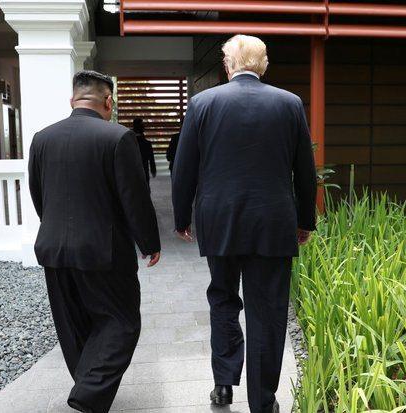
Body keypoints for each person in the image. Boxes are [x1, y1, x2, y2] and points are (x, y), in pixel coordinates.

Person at [171, 35, 317, 413]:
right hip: (273, 222)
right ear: (263, 65)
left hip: (219, 221)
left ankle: (223, 385)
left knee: (222, 298)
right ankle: (263, 401)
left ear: (227, 65)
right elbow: (305, 170)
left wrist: (182, 216)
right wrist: (305, 220)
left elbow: (183, 167)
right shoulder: (289, 103)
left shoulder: (203, 103)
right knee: (268, 310)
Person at [28, 70, 161, 413]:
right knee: (122, 322)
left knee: (73, 323)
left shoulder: (42, 138)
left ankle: (88, 387)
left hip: (54, 249)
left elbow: (38, 195)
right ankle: (88, 393)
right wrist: (149, 242)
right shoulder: (118, 137)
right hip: (105, 252)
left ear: (72, 100)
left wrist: (56, 229)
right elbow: (134, 198)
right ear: (108, 101)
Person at [132, 118, 157, 187]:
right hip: (144, 172)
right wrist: (153, 170)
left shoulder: (129, 143)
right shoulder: (147, 144)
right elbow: (151, 159)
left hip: (132, 173)